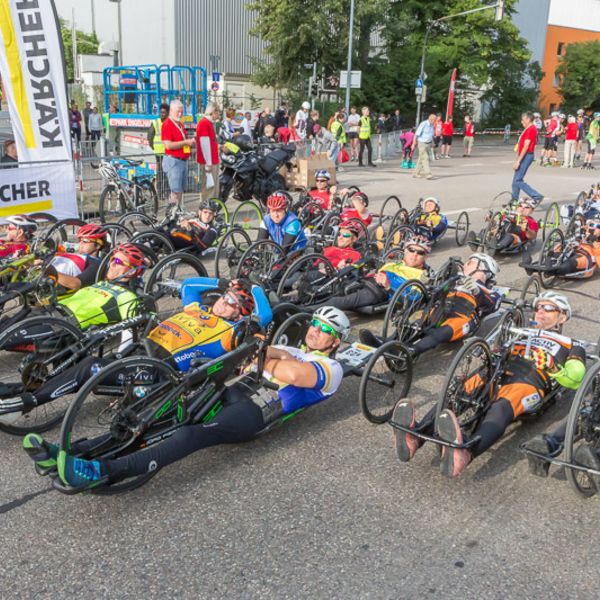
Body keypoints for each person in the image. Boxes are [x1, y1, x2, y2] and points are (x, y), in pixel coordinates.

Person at [27, 306, 349, 490]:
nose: (315, 331)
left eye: (325, 329)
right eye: (315, 324)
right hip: (233, 390)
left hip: (259, 409)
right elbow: (256, 354)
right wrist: (270, 358)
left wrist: (268, 360)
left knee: (192, 434)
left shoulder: (331, 367)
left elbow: (292, 376)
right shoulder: (295, 350)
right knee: (164, 415)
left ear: (336, 341)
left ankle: (103, 471)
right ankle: (71, 452)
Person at [392, 293, 586, 478]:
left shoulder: (572, 344)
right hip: (496, 372)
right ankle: (416, 436)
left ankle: (466, 453)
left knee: (501, 406)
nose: (540, 311)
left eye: (549, 308)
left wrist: (552, 366)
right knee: (457, 391)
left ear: (563, 317)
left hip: (531, 381)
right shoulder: (522, 332)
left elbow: (576, 376)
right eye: (538, 307)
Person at [361, 253, 501, 354]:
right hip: (442, 308)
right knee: (418, 322)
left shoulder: (488, 291)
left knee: (445, 330)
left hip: (463, 316)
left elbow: (492, 305)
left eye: (470, 263)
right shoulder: (457, 279)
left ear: (483, 268)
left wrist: (477, 291)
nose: (465, 265)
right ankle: (387, 342)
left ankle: (411, 351)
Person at [317, 234, 432, 312]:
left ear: (426, 256)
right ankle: (303, 303)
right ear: (405, 250)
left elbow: (413, 300)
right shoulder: (393, 264)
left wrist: (388, 286)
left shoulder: (422, 276)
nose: (414, 254)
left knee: (338, 301)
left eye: (420, 252)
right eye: (411, 250)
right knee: (329, 288)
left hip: (379, 291)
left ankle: (306, 312)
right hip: (365, 281)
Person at [161, 100, 196, 207]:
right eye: (178, 112)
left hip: (181, 160)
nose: (180, 114)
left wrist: (189, 143)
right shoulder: (167, 124)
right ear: (171, 111)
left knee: (179, 190)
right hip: (174, 161)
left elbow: (180, 141)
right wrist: (186, 142)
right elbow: (168, 145)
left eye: (181, 112)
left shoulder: (180, 124)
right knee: (175, 191)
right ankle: (172, 213)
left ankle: (177, 212)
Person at [512, 111, 543, 204]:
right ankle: (514, 201)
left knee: (518, 180)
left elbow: (526, 145)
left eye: (523, 120)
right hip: (524, 155)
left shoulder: (531, 129)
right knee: (515, 180)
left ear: (528, 119)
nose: (522, 122)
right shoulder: (529, 128)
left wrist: (518, 161)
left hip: (526, 156)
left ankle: (536, 195)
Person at [196, 101, 221, 202]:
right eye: (218, 112)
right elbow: (205, 144)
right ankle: (206, 212)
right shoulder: (204, 123)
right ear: (212, 112)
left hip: (211, 161)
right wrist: (208, 164)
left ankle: (210, 212)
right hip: (209, 162)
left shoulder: (208, 123)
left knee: (212, 188)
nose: (219, 114)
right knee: (209, 189)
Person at [412, 113, 436, 180]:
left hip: (428, 144)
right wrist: (413, 143)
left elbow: (431, 135)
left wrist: (433, 144)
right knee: (425, 158)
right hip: (422, 144)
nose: (435, 122)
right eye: (435, 120)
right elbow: (416, 134)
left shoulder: (432, 126)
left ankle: (415, 173)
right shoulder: (424, 124)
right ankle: (428, 174)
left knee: (421, 159)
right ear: (431, 119)